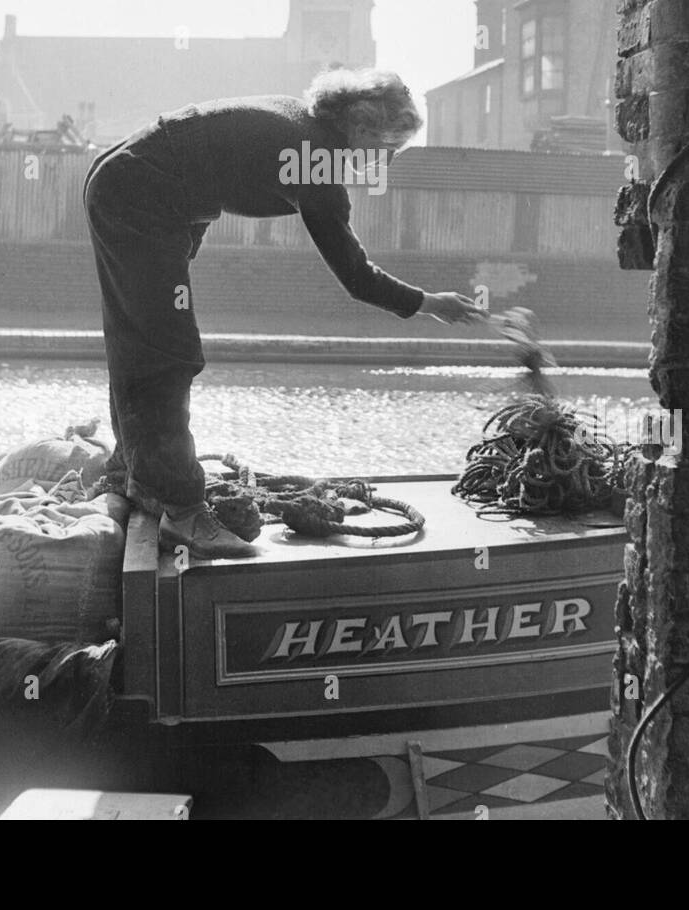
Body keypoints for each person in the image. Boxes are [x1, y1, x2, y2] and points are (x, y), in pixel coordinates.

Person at [82, 68, 482, 559]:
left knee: (138, 338)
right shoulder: (316, 162)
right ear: (360, 129)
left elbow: (206, 158)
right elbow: (356, 276)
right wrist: (428, 303)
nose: (387, 163)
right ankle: (183, 513)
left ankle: (135, 472)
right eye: (389, 149)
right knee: (168, 349)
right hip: (140, 195)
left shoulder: (303, 123)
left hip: (126, 179)